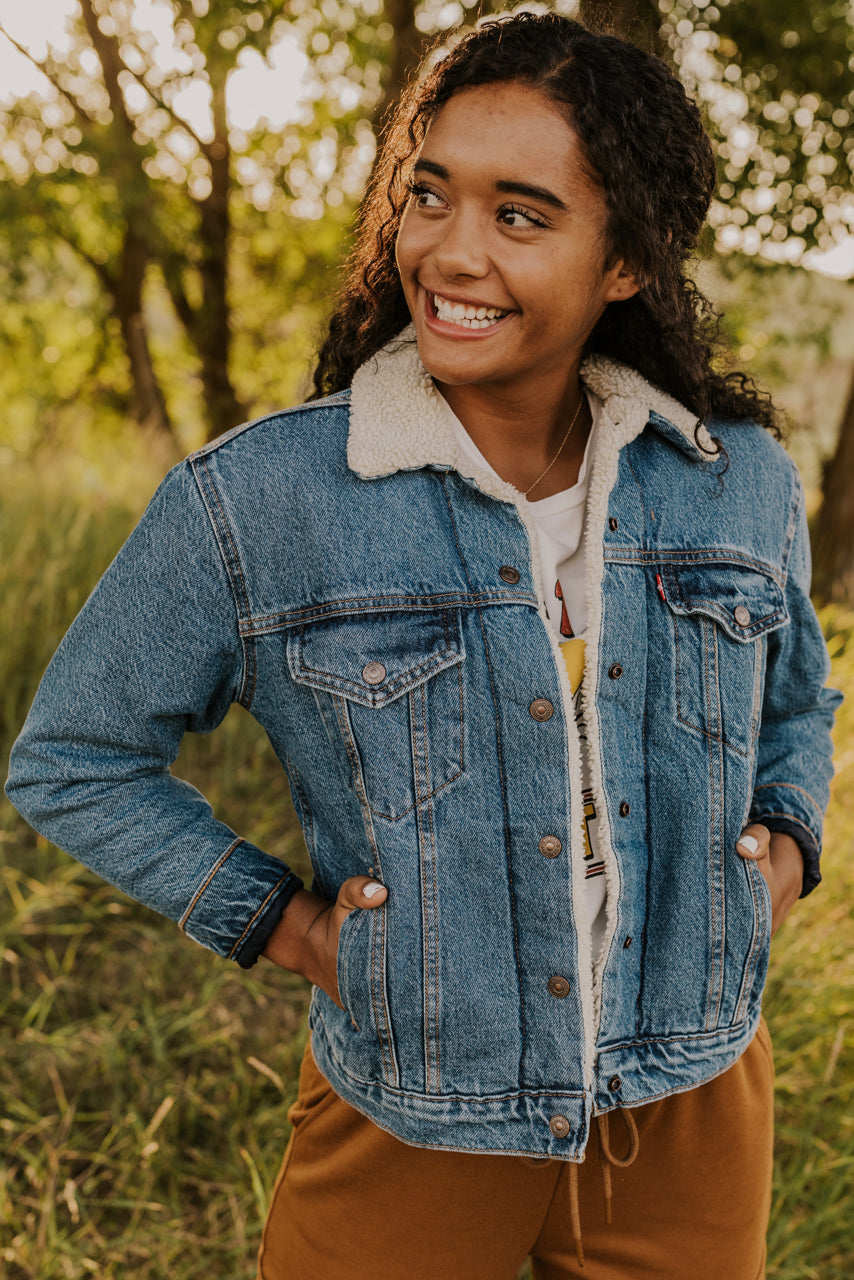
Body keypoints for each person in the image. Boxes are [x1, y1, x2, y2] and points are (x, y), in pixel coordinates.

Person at [6, 11, 841, 1279]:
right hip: (415, 1101)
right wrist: (284, 927)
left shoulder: (738, 483)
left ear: (625, 260)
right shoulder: (260, 502)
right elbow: (72, 757)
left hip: (688, 1094)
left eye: (519, 214)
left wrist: (781, 845)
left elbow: (793, 700)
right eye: (429, 195)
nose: (450, 251)